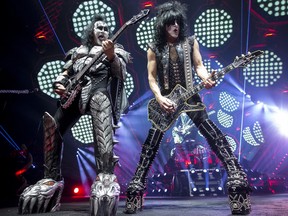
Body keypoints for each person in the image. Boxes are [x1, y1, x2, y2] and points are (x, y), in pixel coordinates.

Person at [124, 1, 251, 215]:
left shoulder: (191, 41)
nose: (175, 26)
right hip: (166, 101)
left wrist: (207, 78)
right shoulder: (154, 47)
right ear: (163, 25)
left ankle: (235, 174)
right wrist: (159, 97)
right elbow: (151, 78)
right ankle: (137, 183)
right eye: (170, 23)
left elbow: (199, 66)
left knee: (214, 134)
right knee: (151, 145)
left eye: (178, 22)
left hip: (190, 95)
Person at [18, 13, 131, 215]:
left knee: (100, 108)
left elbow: (120, 73)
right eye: (99, 27)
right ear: (91, 30)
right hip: (74, 95)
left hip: (99, 92)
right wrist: (59, 84)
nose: (103, 31)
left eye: (106, 28)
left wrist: (112, 55)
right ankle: (51, 178)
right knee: (53, 124)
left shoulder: (115, 48)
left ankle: (105, 175)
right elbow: (65, 73)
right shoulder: (77, 51)